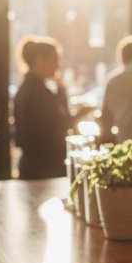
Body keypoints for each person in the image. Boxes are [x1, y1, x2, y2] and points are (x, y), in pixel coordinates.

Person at [13, 36, 90, 180]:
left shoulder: (24, 90)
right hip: (45, 167)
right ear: (39, 60)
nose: (58, 66)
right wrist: (78, 110)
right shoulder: (40, 93)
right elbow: (60, 124)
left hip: (30, 164)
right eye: (55, 60)